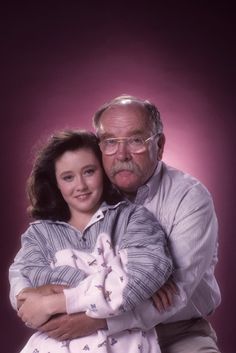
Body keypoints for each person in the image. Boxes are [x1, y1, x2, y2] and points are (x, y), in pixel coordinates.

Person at [10, 94, 221, 353]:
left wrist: (94, 319)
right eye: (110, 142)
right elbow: (25, 269)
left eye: (135, 140)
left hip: (177, 329)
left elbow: (176, 291)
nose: (121, 154)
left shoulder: (189, 197)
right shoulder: (89, 191)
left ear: (160, 144)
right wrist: (28, 299)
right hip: (81, 330)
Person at [10, 129, 173, 353]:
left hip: (126, 345)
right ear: (55, 182)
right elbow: (27, 298)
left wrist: (53, 301)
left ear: (104, 171)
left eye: (89, 172)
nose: (81, 186)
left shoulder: (133, 218)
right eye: (68, 177)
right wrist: (127, 287)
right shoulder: (38, 235)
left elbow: (147, 272)